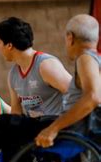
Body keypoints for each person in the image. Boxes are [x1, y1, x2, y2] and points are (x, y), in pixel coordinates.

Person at [0, 17, 72, 162]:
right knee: (3, 127)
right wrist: (0, 143)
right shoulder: (13, 74)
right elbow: (16, 113)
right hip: (35, 127)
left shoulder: (45, 64)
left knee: (4, 125)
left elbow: (75, 94)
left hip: (55, 124)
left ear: (9, 45)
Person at [35, 14, 100, 147]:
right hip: (84, 131)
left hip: (79, 134)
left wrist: (53, 129)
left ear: (70, 37)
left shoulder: (85, 58)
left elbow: (93, 97)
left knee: (7, 124)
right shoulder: (97, 59)